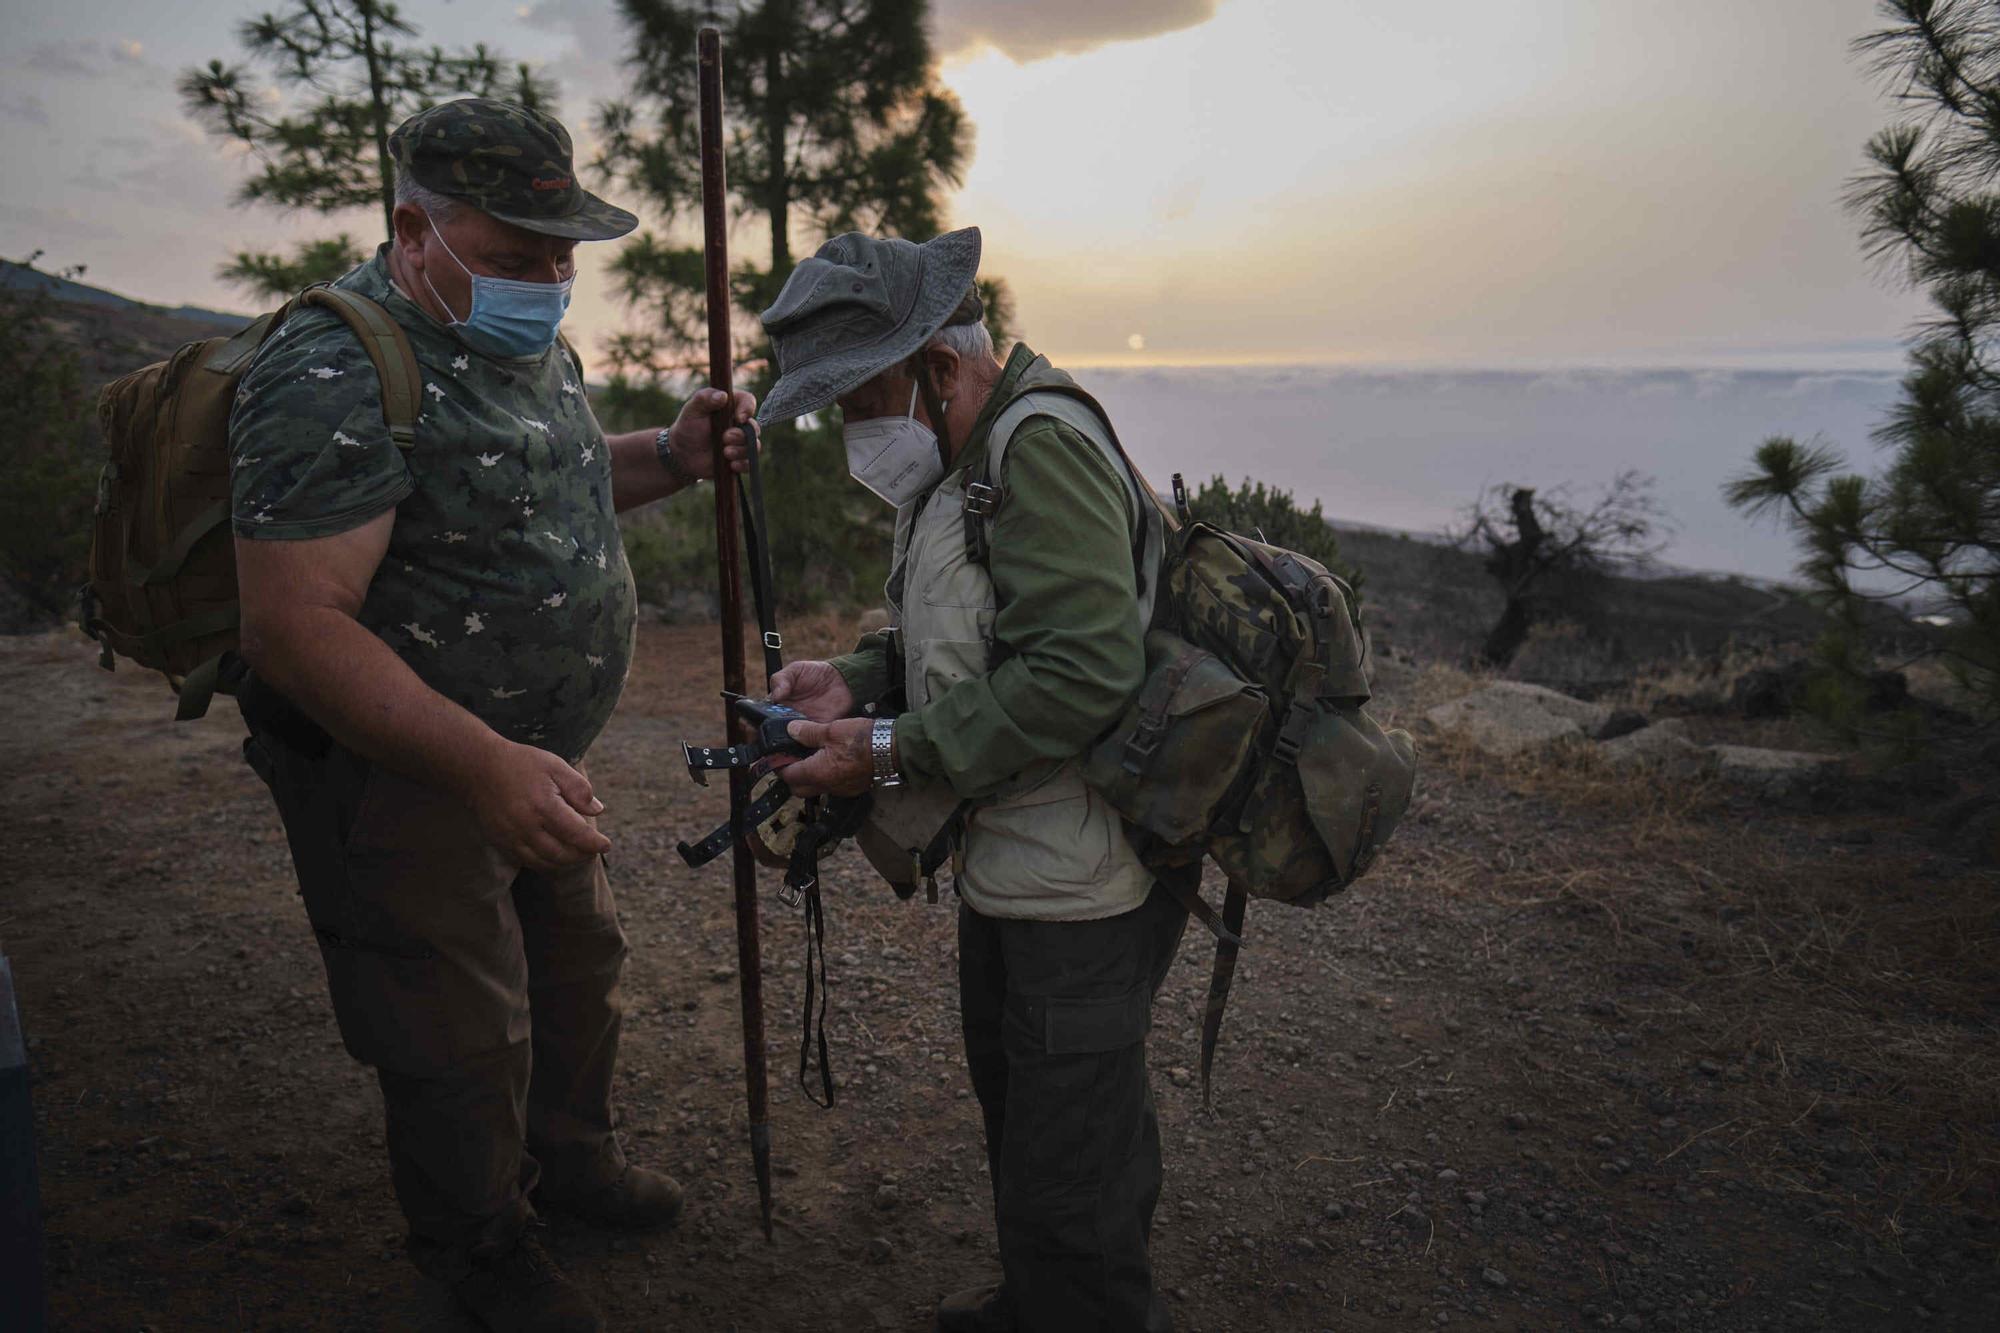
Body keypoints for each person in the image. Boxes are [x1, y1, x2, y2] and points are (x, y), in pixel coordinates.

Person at [227, 97, 753, 1333]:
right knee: (455, 1025)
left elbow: (545, 484)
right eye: (519, 256)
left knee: (577, 969)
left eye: (562, 254)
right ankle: (477, 1248)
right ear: (414, 227)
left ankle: (570, 1164)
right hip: (413, 776)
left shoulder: (512, 339)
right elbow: (294, 624)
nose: (553, 280)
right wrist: (477, 764)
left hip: (525, 763)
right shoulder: (329, 369)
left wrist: (668, 455)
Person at [759, 227, 1190, 1333]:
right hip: (1016, 865)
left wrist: (891, 750)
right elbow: (969, 642)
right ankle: (1038, 1301)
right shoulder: (963, 463)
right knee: (1033, 1121)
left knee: (1070, 1165)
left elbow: (1084, 665)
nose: (853, 430)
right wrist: (850, 680)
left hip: (1080, 880)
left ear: (938, 367)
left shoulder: (1034, 450)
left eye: (859, 400)